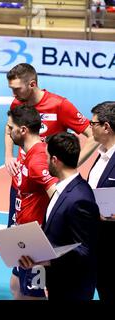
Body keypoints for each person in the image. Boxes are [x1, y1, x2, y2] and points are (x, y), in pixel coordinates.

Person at [4, 63, 98, 227]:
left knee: (49, 236)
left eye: (17, 89)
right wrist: (8, 155)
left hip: (48, 183)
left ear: (32, 84)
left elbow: (93, 135)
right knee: (17, 236)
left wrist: (71, 165)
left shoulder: (59, 105)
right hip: (22, 182)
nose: (13, 94)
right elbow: (9, 127)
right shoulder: (17, 103)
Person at [20, 132, 100, 300]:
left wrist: (47, 260)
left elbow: (85, 250)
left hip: (73, 289)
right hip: (57, 283)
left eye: (47, 156)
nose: (45, 161)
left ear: (56, 161)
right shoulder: (63, 189)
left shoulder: (80, 198)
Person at [6, 105, 57, 300]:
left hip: (36, 242)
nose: (9, 132)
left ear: (23, 130)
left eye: (11, 128)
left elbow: (59, 196)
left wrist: (47, 240)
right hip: (25, 238)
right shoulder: (29, 154)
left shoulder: (38, 160)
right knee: (17, 287)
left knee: (34, 295)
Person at [87, 101, 115, 301]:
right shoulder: (102, 155)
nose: (89, 127)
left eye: (93, 123)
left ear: (106, 127)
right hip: (97, 242)